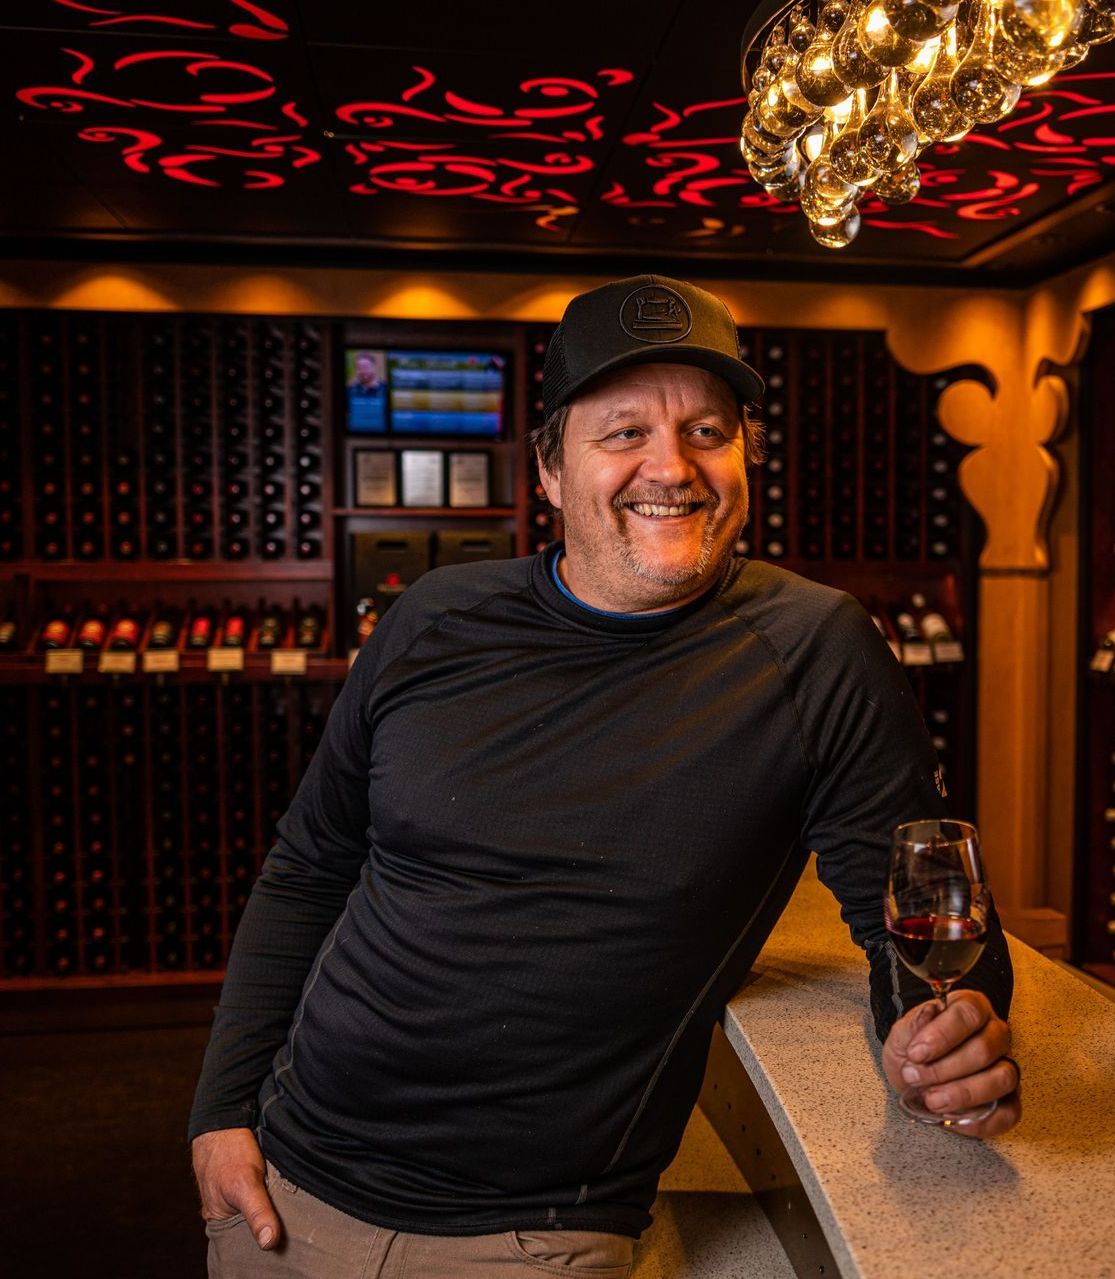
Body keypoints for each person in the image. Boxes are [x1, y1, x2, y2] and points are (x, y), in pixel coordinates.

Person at [190, 274, 1018, 1278]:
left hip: (532, 1233)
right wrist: (222, 1108)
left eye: (708, 431)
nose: (670, 467)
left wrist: (950, 1032)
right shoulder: (434, 616)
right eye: (622, 432)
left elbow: (915, 912)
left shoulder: (815, 649)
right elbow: (308, 869)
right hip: (285, 1182)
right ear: (547, 470)